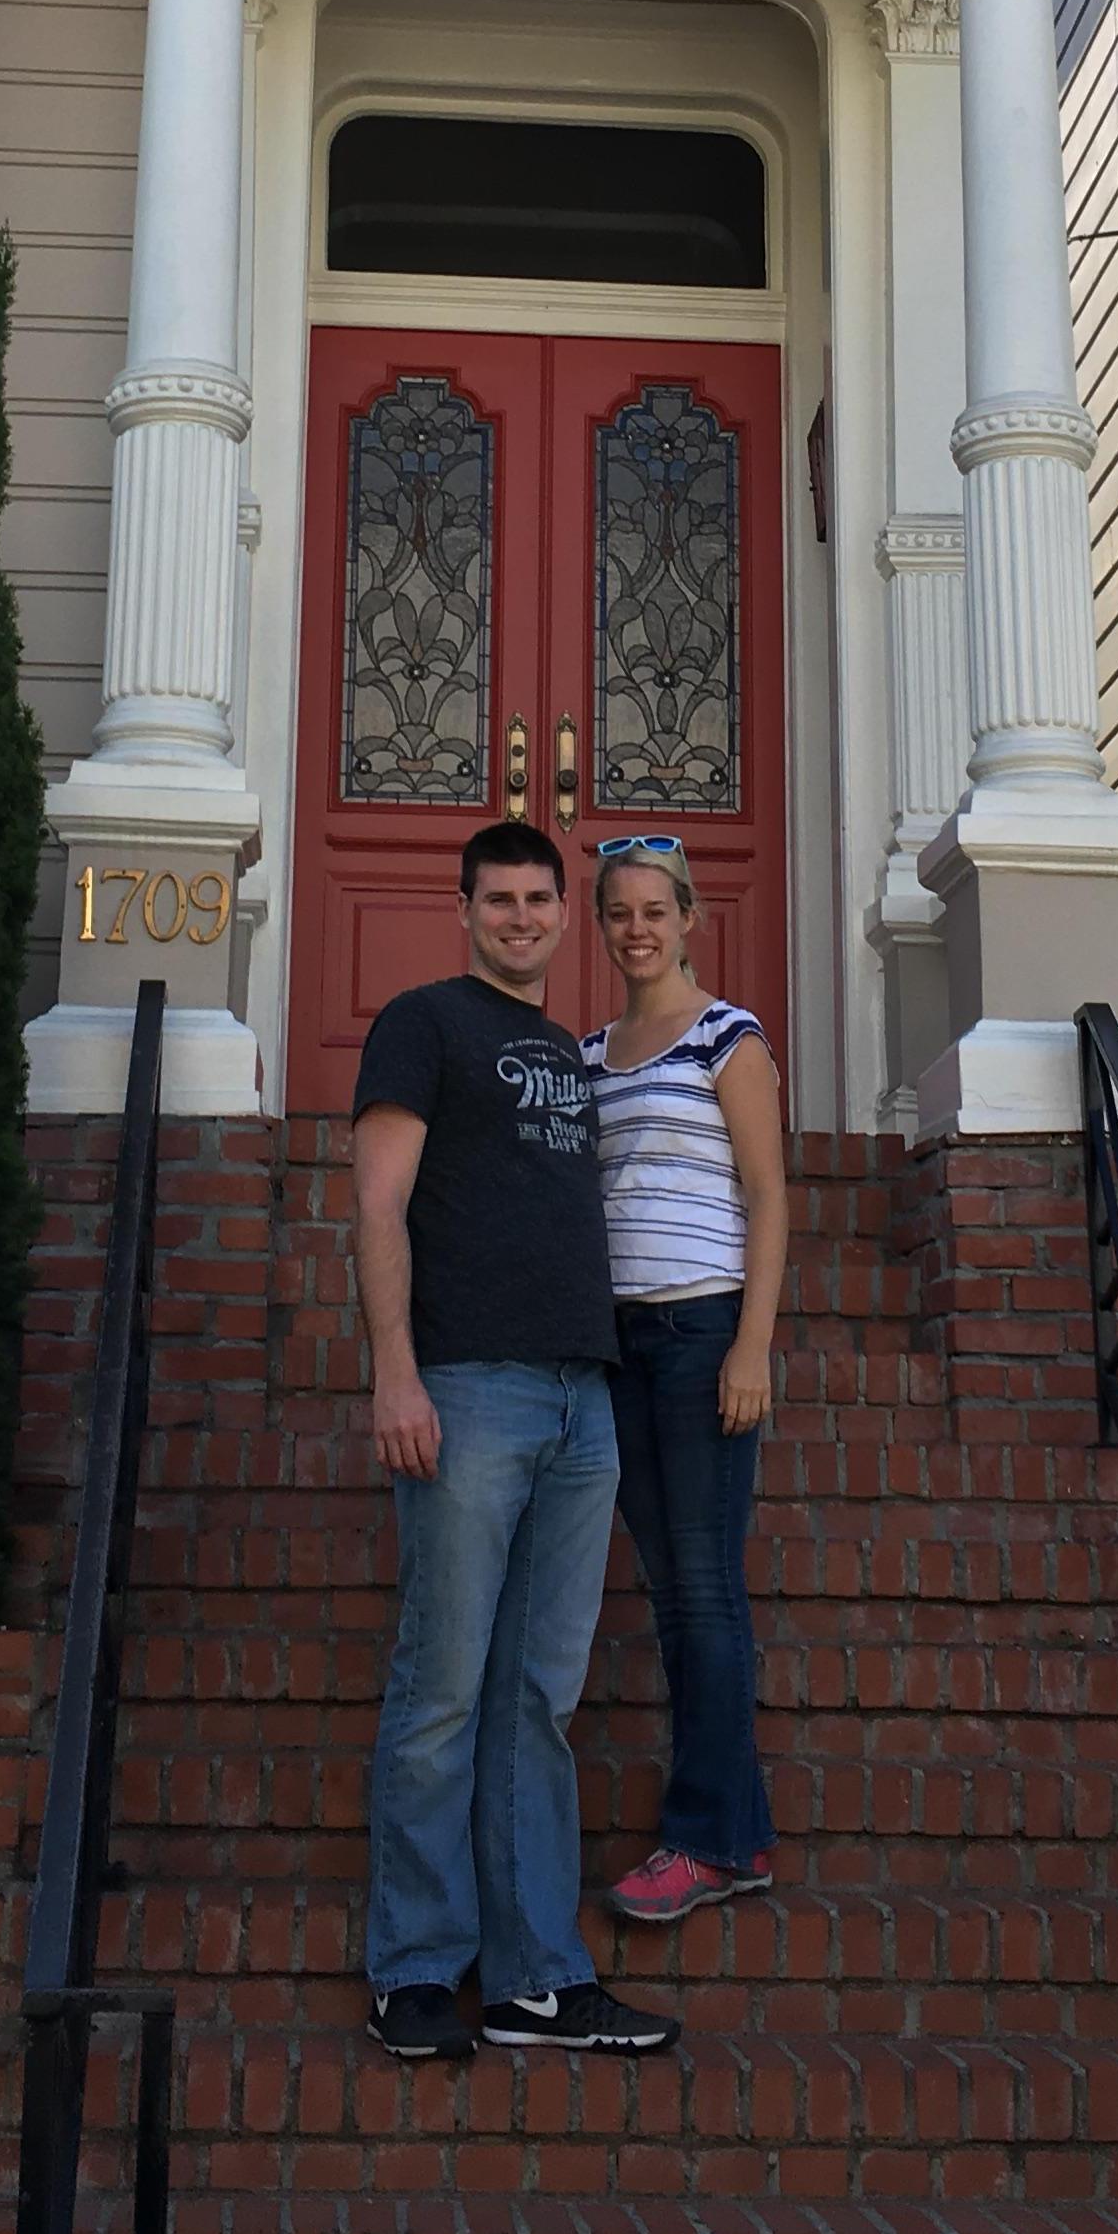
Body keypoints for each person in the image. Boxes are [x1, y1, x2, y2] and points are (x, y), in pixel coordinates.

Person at [348, 818, 678, 2062]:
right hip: (471, 1390)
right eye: (501, 900)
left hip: (582, 1400)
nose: (524, 919)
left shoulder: (565, 1052)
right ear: (466, 910)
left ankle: (536, 1978)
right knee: (442, 1687)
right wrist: (396, 1373)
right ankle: (416, 1970)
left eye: (542, 900)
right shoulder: (423, 1024)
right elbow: (378, 1203)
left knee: (537, 1697)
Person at [582, 836, 788, 1928]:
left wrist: (752, 1344)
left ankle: (704, 1839)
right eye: (620, 913)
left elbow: (768, 1196)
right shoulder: (589, 1054)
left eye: (655, 911)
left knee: (705, 1588)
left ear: (689, 919)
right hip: (623, 1344)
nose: (638, 930)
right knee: (674, 1589)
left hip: (705, 1330)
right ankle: (735, 1839)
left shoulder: (728, 1036)